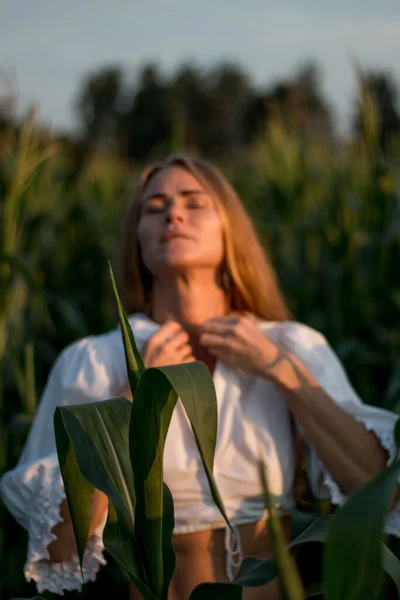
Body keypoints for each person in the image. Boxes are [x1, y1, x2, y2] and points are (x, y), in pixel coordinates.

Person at [1, 154, 399, 600]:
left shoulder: (292, 346)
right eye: (154, 207)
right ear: (137, 239)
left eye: (194, 202)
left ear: (231, 228)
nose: (173, 213)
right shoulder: (95, 361)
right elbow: (61, 548)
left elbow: (380, 491)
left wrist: (281, 370)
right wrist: (131, 401)